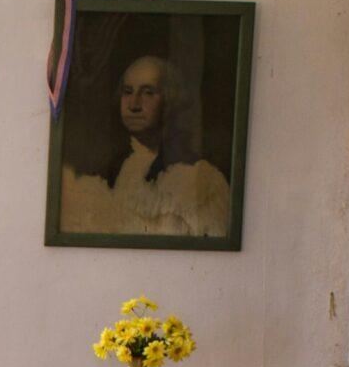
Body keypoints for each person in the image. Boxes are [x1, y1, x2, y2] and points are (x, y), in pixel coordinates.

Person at [60, 55, 232, 238]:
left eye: (148, 92)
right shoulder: (102, 171)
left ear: (169, 99)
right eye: (127, 91)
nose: (134, 104)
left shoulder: (200, 178)